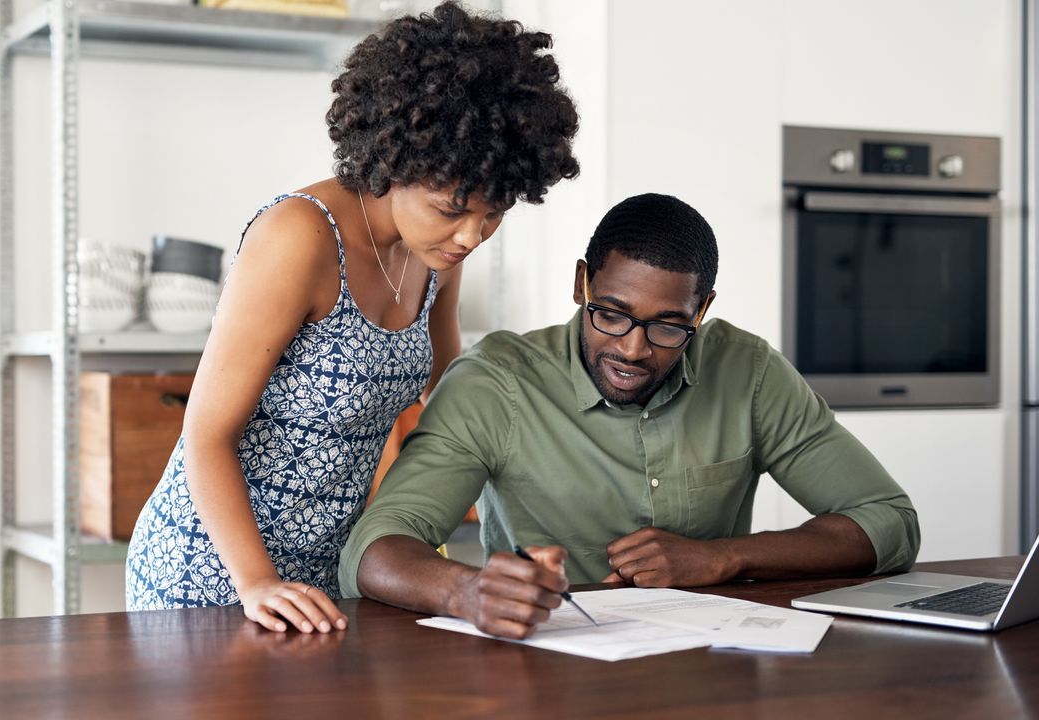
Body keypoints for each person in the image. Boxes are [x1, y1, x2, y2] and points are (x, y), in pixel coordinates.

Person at [125, 1, 580, 634]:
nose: (474, 234)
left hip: (328, 574)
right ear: (394, 162)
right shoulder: (300, 237)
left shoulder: (437, 251)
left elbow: (451, 403)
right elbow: (204, 435)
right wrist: (256, 581)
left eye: (494, 211)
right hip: (213, 569)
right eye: (453, 208)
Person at [339, 193, 920, 639]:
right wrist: (467, 592)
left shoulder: (748, 372)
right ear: (581, 283)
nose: (635, 349)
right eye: (612, 314)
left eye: (668, 324)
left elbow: (889, 522)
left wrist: (723, 557)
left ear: (703, 309)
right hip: (545, 667)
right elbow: (375, 549)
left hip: (711, 663)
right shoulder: (497, 382)